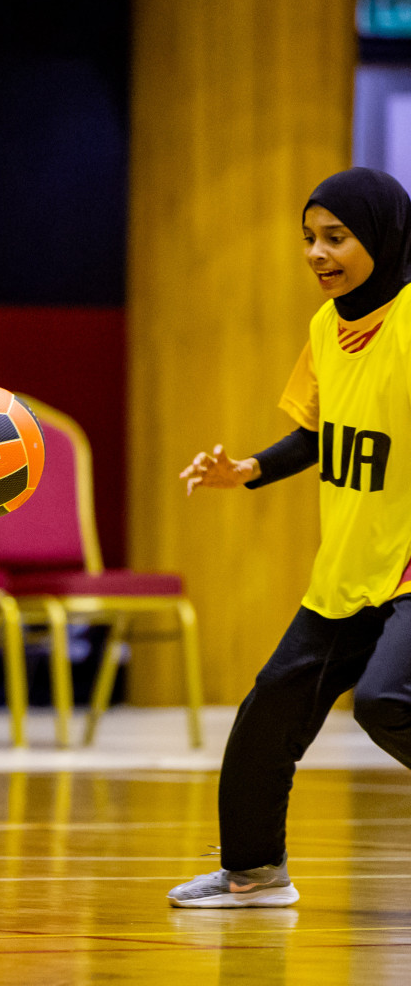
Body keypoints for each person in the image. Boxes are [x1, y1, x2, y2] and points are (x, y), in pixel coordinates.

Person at [169, 167, 411, 908]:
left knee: (386, 700)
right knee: (268, 709)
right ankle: (253, 873)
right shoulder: (326, 328)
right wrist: (247, 469)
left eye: (335, 237)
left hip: (406, 568)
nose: (316, 252)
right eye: (309, 238)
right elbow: (317, 433)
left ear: (380, 236)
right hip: (346, 569)